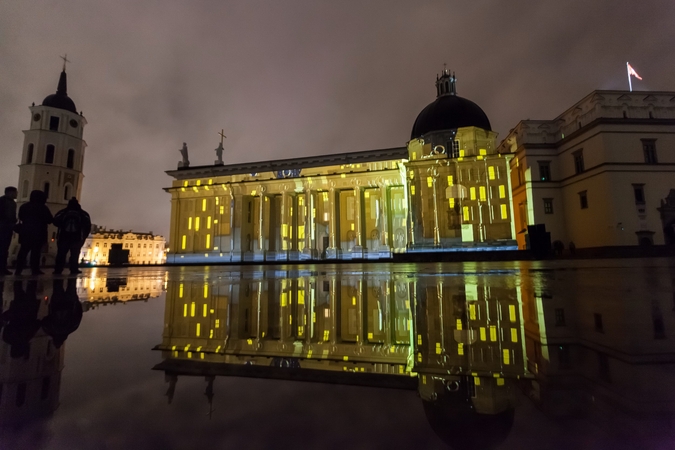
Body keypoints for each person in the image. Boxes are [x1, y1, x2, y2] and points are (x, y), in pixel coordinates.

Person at [15, 190, 53, 276]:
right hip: (39, 233)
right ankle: (35, 269)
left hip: (25, 232)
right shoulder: (43, 207)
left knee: (23, 251)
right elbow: (49, 219)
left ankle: (18, 269)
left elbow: (20, 217)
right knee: (36, 253)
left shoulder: (24, 206)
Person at [53, 197, 91, 275]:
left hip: (63, 237)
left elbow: (55, 221)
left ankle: (58, 269)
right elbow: (87, 226)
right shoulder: (83, 214)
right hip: (77, 238)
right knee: (75, 254)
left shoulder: (63, 212)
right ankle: (74, 269)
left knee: (61, 254)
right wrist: (84, 237)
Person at [0, 186, 18, 275]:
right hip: (4, 228)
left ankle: (3, 267)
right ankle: (2, 268)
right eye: (15, 192)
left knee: (4, 249)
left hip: (8, 228)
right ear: (10, 193)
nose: (16, 194)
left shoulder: (11, 203)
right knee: (3, 248)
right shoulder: (4, 202)